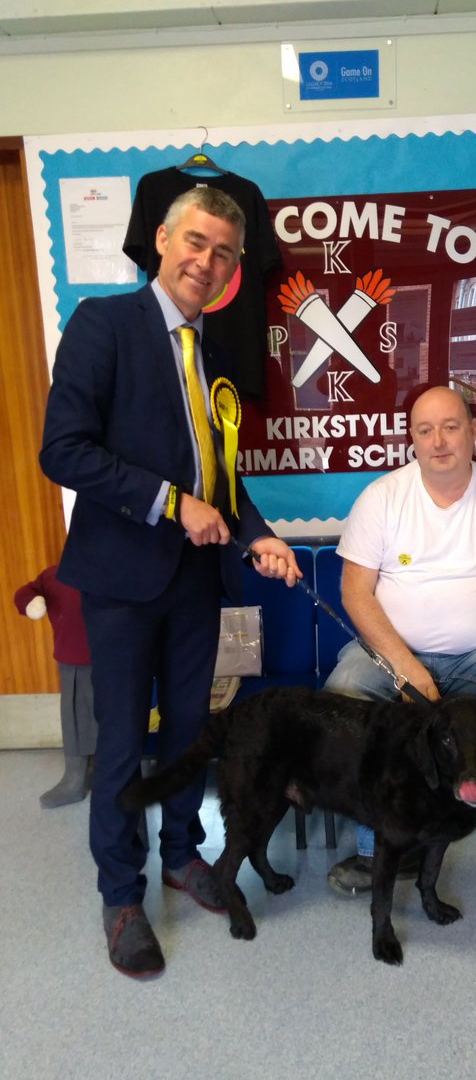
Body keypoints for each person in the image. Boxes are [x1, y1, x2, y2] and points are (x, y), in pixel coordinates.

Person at [40, 187, 302, 980]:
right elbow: (63, 450)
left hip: (196, 581)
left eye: (224, 252)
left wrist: (256, 534)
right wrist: (169, 502)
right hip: (121, 581)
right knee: (123, 743)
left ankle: (184, 855)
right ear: (161, 239)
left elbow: (219, 478)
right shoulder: (103, 325)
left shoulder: (212, 354)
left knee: (191, 735)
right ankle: (121, 896)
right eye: (196, 242)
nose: (206, 261)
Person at [324, 384, 476, 903]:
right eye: (425, 430)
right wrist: (404, 665)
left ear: (472, 431)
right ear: (412, 439)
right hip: (390, 653)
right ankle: (380, 847)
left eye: (450, 427)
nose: (438, 441)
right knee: (344, 693)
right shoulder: (382, 497)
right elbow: (355, 593)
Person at [14, 565, 96, 809]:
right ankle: (75, 778)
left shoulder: (119, 566)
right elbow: (25, 592)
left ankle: (110, 775)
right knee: (75, 720)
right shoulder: (56, 574)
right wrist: (33, 602)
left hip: (118, 660)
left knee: (117, 722)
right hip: (74, 661)